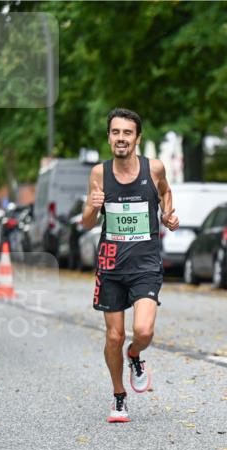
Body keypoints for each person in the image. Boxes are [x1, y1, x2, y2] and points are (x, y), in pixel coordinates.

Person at [80, 108, 179, 423]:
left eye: (127, 133)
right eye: (115, 132)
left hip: (145, 263)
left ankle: (135, 355)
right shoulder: (99, 173)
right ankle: (119, 396)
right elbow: (85, 223)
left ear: (137, 137)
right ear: (109, 137)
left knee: (143, 330)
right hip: (110, 263)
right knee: (113, 337)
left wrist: (169, 215)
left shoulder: (155, 168)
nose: (121, 138)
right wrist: (93, 210)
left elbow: (165, 193)